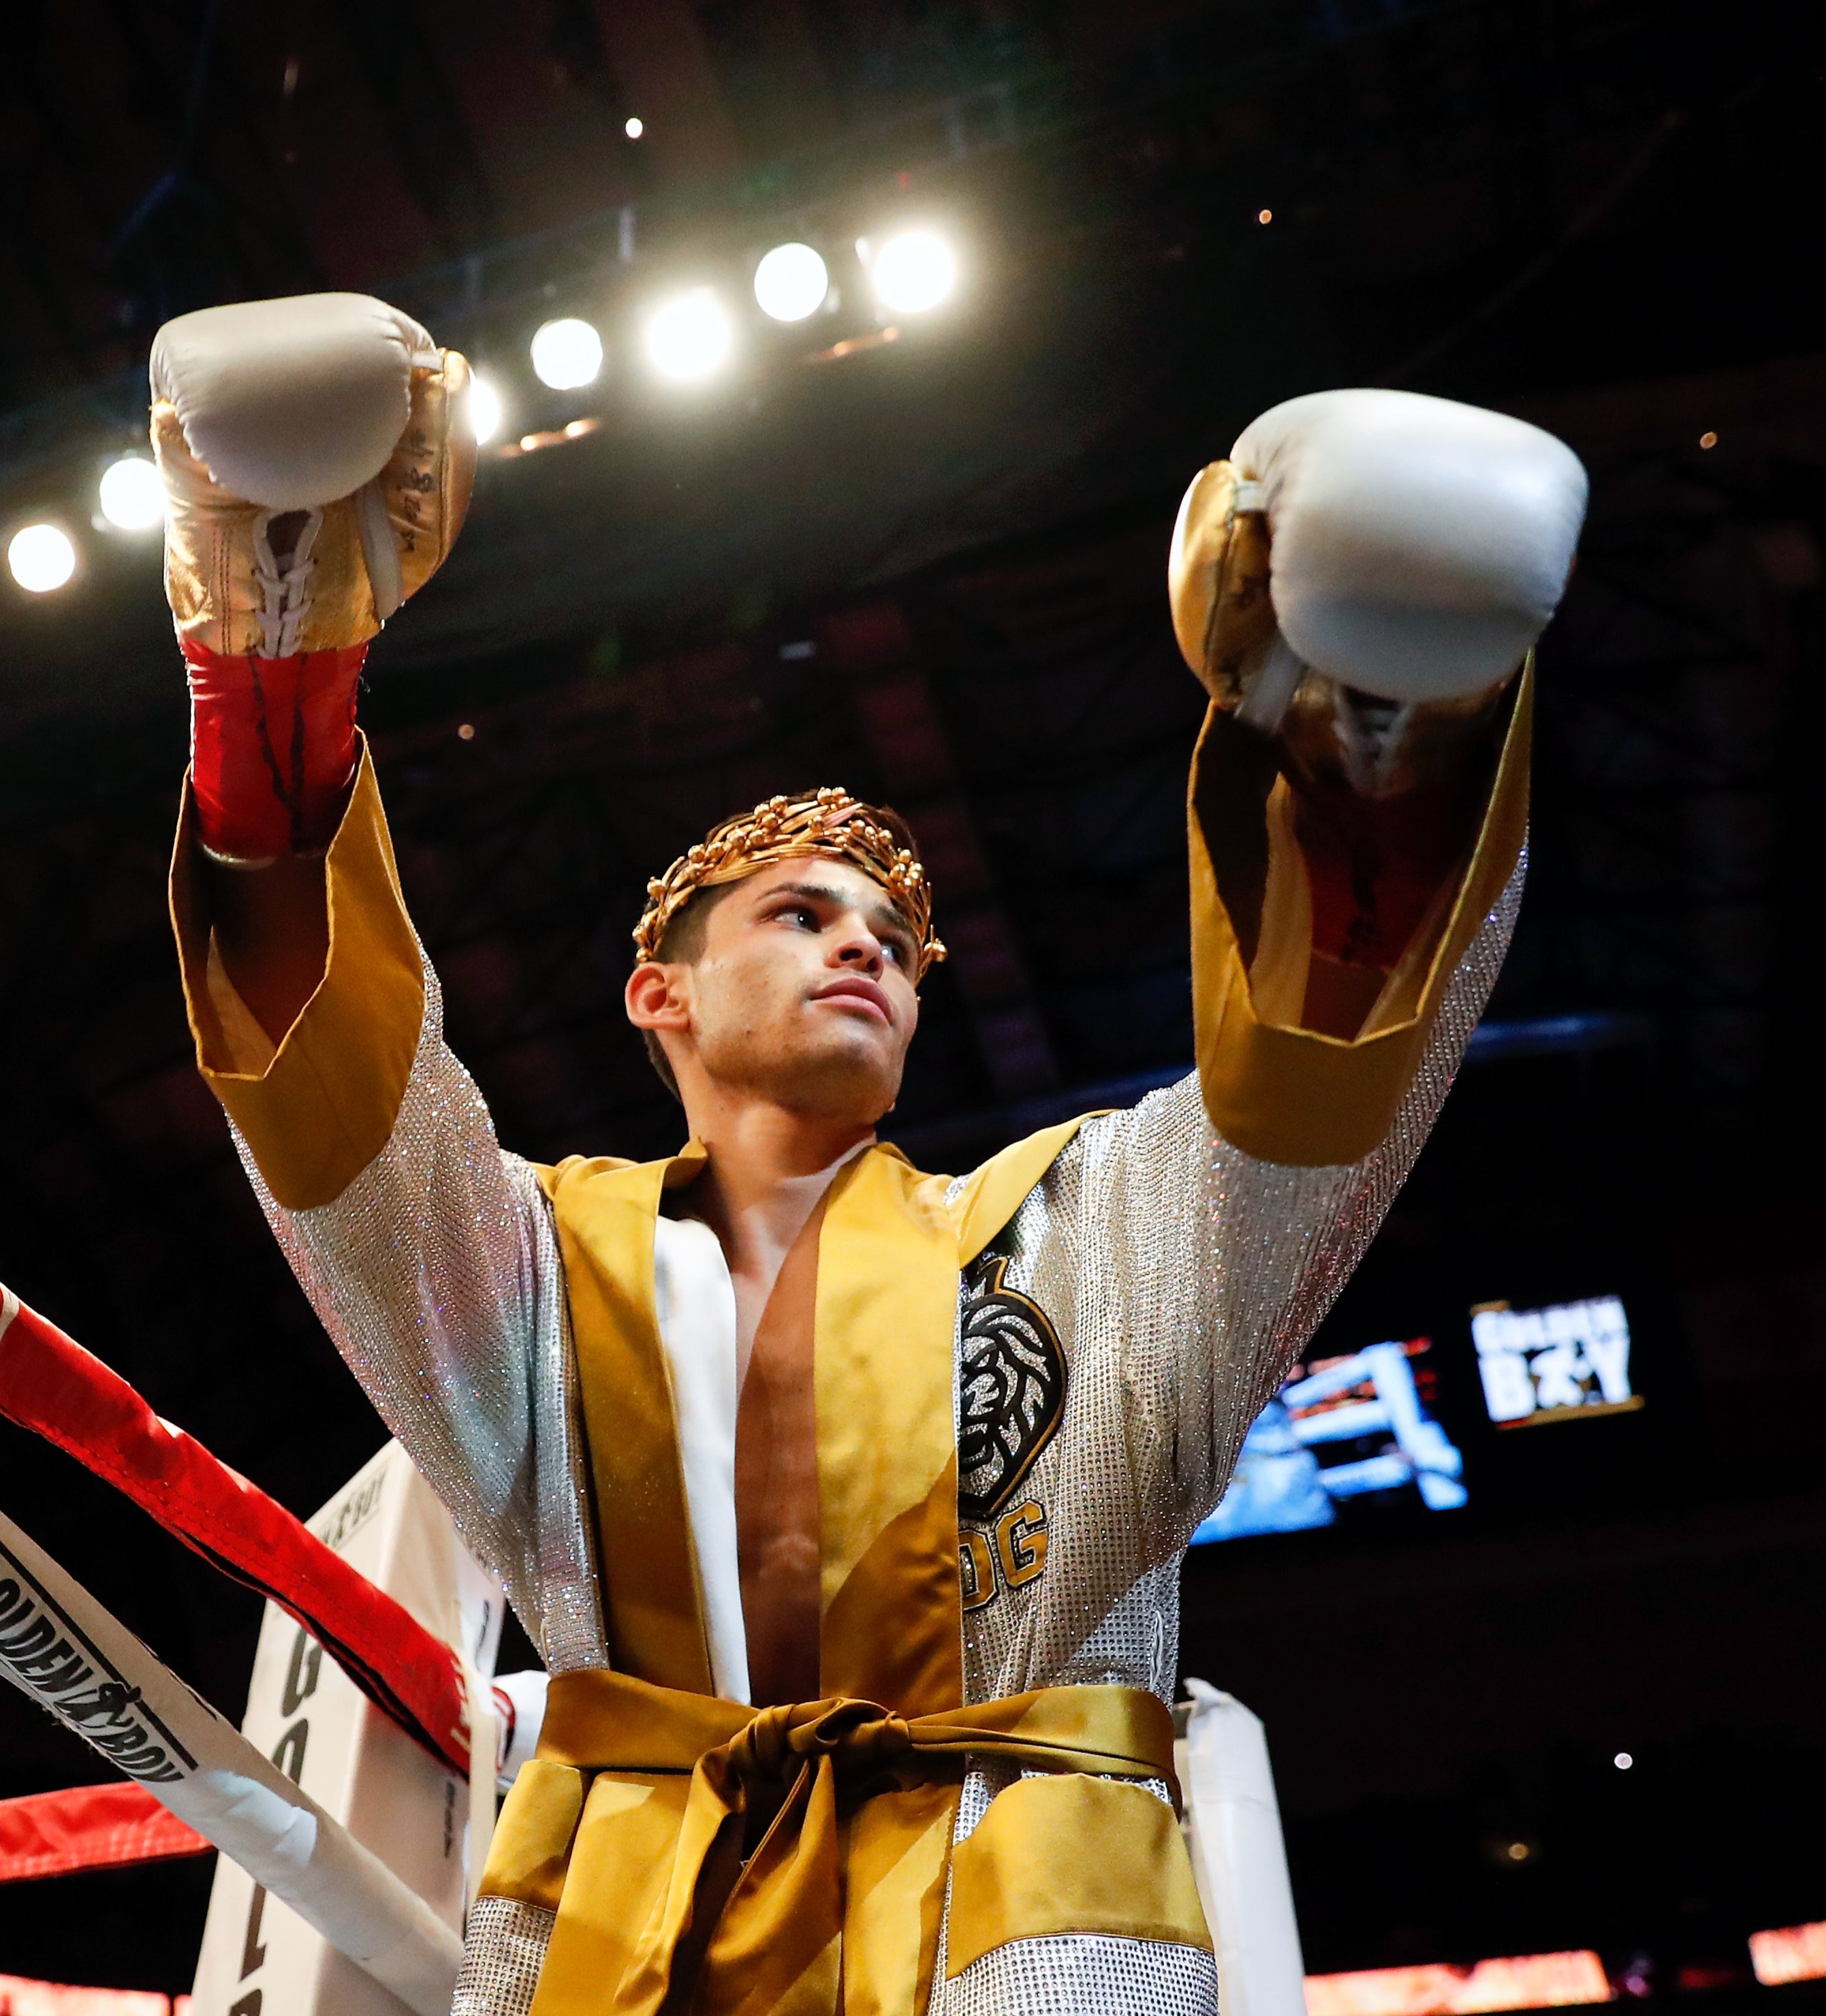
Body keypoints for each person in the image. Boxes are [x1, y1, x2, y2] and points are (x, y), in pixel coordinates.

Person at [148, 292, 1586, 2016]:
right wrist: (274, 666)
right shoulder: (537, 1268)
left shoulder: (1083, 1221)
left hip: (1025, 1919)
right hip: (625, 1928)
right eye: (805, 913)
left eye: (900, 943)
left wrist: (1372, 736)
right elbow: (336, 1102)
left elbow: (1306, 1117)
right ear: (655, 992)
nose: (869, 952)